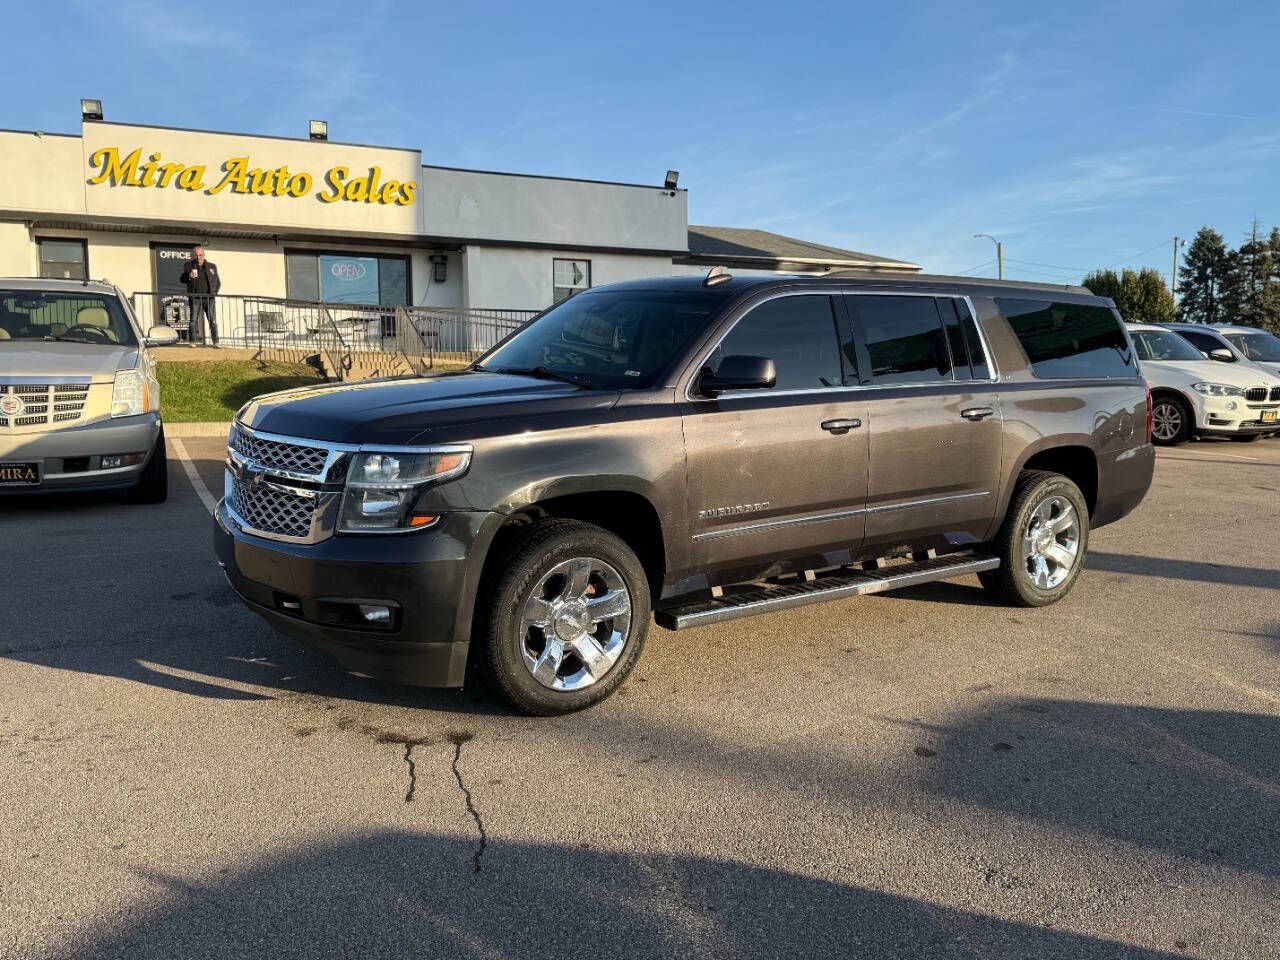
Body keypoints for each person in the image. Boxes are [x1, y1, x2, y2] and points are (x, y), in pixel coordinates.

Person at [177, 245, 221, 345]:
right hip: (195, 297)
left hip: (209, 298)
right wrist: (188, 276)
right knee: (193, 320)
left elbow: (218, 283)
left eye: (200, 255)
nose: (198, 257)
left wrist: (214, 293)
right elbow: (182, 279)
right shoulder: (188, 265)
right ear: (194, 255)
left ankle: (216, 342)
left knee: (212, 320)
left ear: (204, 255)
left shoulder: (212, 266)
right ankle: (192, 341)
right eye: (196, 255)